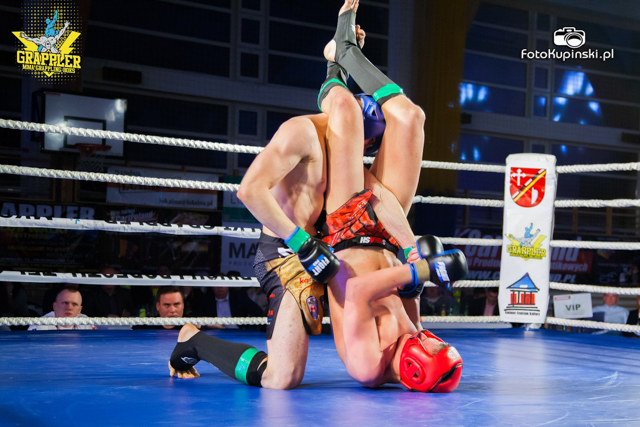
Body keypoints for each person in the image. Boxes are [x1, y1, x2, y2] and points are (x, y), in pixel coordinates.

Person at [28, 287, 95, 331]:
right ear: (55, 306)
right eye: (65, 303)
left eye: (74, 304)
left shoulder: (86, 324)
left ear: (79, 309)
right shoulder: (40, 326)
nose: (69, 307)